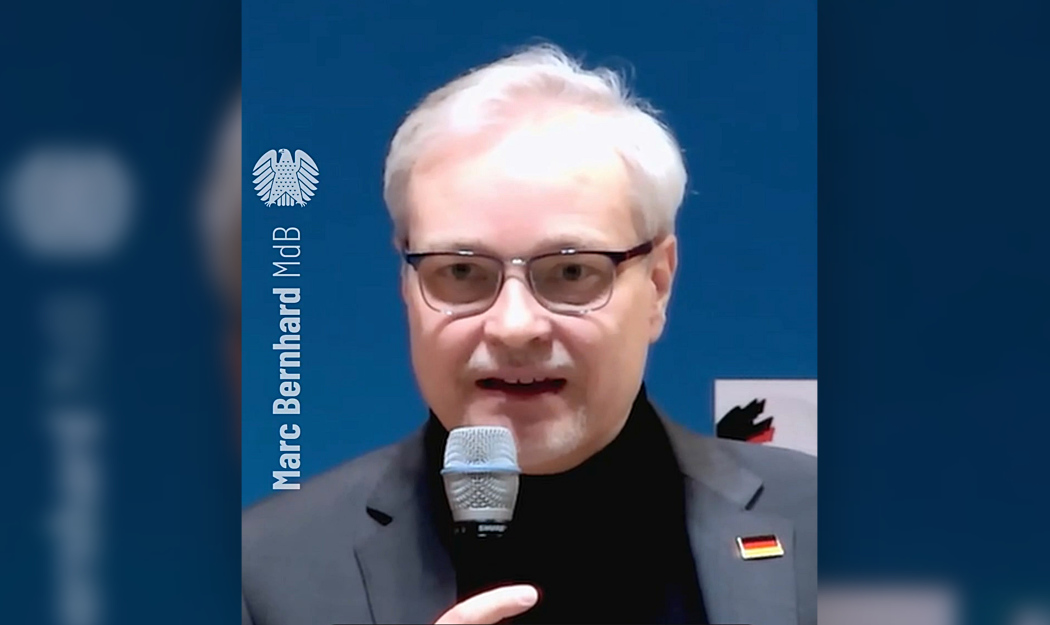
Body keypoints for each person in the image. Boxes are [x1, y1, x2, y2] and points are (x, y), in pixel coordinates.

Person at [242, 43, 816, 625]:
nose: (515, 326)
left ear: (659, 285)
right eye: (461, 272)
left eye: (571, 273)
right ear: (408, 287)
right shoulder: (263, 573)